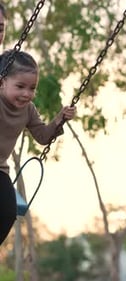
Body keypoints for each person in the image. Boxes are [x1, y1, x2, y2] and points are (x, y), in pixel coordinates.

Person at [0, 49, 76, 245]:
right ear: (2, 82)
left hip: (0, 170)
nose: (26, 94)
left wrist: (59, 119)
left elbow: (42, 136)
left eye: (32, 88)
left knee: (8, 211)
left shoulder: (28, 110)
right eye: (20, 86)